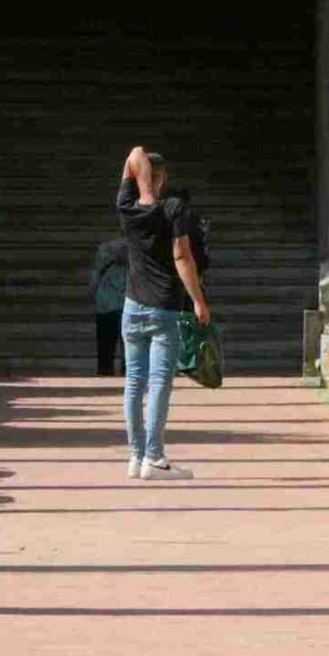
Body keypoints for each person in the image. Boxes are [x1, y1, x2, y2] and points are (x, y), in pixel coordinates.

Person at [116, 145, 209, 479]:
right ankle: (153, 457)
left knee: (133, 382)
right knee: (158, 382)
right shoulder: (174, 209)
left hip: (131, 306)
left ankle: (136, 455)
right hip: (163, 307)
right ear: (164, 178)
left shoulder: (127, 206)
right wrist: (198, 299)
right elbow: (182, 257)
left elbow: (135, 152)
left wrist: (142, 193)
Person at [91, 236, 130, 376]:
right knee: (129, 344)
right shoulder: (134, 251)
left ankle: (104, 371)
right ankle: (128, 372)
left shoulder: (104, 250)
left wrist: (94, 293)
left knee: (105, 344)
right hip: (129, 303)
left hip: (105, 304)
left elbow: (95, 276)